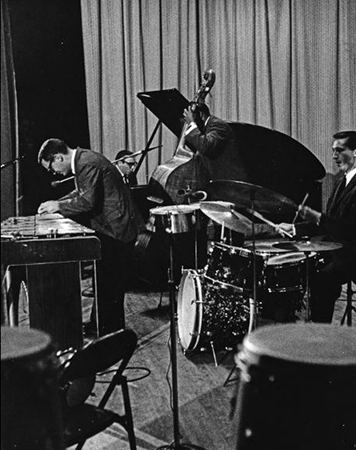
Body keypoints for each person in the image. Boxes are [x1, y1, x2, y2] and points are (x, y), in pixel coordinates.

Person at [37, 138, 138, 336]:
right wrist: (57, 203)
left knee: (111, 285)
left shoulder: (86, 163)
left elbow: (88, 201)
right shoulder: (83, 159)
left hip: (117, 229)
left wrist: (58, 207)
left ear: (58, 157)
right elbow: (82, 191)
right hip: (113, 227)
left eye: (51, 167)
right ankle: (98, 325)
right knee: (104, 282)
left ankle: (111, 334)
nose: (53, 172)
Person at [277, 131, 356, 323]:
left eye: (339, 150)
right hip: (337, 249)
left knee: (322, 279)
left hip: (352, 252)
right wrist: (295, 229)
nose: (334, 156)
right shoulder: (341, 182)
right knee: (298, 266)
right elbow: (327, 224)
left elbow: (349, 229)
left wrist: (318, 217)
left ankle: (321, 334)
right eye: (332, 151)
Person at [183, 102, 249, 182]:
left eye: (190, 119)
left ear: (200, 114)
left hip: (231, 184)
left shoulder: (218, 125)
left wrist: (191, 124)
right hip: (220, 184)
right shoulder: (207, 127)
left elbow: (206, 147)